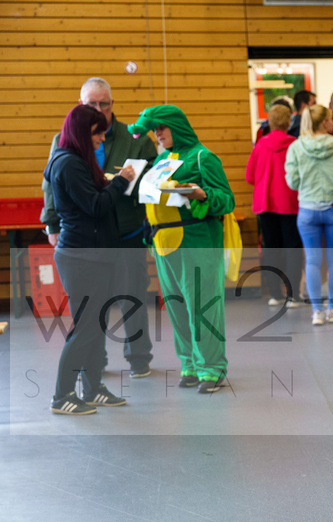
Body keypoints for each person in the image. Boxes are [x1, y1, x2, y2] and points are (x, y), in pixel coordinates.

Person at [41, 77, 157, 379]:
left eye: (104, 104)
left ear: (112, 104)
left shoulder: (136, 138)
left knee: (132, 296)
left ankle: (139, 358)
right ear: (80, 105)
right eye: (92, 104)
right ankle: (94, 363)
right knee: (93, 306)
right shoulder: (62, 140)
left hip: (127, 231)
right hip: (87, 237)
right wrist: (51, 222)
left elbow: (154, 180)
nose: (99, 109)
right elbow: (50, 184)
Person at [128, 105, 235, 394]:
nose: (157, 134)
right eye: (155, 130)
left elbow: (226, 200)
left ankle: (211, 367)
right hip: (163, 244)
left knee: (203, 305)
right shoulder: (162, 160)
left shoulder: (203, 157)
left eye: (162, 128)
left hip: (197, 242)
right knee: (175, 306)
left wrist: (202, 194)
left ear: (177, 127)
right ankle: (190, 363)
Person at [44, 105, 137, 415]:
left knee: (96, 326)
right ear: (84, 134)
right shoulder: (68, 164)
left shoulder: (77, 161)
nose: (101, 138)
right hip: (82, 257)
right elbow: (95, 207)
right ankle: (62, 395)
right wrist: (121, 181)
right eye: (97, 133)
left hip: (94, 255)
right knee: (85, 327)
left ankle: (93, 387)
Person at [285, 104, 333, 326]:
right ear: (324, 122)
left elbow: (292, 181)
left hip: (308, 209)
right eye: (330, 119)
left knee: (311, 261)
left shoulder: (296, 147)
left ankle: (317, 312)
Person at [245, 103, 303, 309]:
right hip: (290, 204)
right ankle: (293, 295)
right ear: (289, 122)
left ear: (268, 122)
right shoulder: (295, 144)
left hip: (265, 203)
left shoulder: (260, 146)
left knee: (270, 249)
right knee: (293, 249)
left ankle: (275, 294)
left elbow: (249, 176)